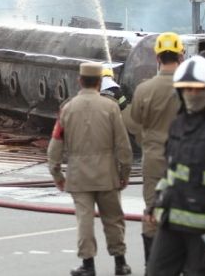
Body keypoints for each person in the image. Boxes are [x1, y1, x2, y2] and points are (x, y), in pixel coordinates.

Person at [146, 55, 205, 276]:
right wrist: (156, 202)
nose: (192, 95)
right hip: (172, 222)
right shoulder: (177, 124)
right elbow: (171, 172)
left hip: (204, 226)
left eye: (197, 90)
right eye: (187, 90)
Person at [48, 62, 134, 276]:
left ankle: (88, 266)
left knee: (84, 220)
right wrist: (124, 173)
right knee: (113, 219)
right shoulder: (111, 107)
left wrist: (57, 173)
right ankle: (120, 263)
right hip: (107, 174)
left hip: (78, 176)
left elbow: (55, 144)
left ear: (80, 81)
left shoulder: (68, 108)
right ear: (99, 82)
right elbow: (123, 145)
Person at [129, 31, 184, 264]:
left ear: (157, 57)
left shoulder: (144, 89)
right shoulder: (190, 88)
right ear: (181, 56)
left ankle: (151, 264)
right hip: (184, 159)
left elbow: (135, 121)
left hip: (153, 158)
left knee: (152, 208)